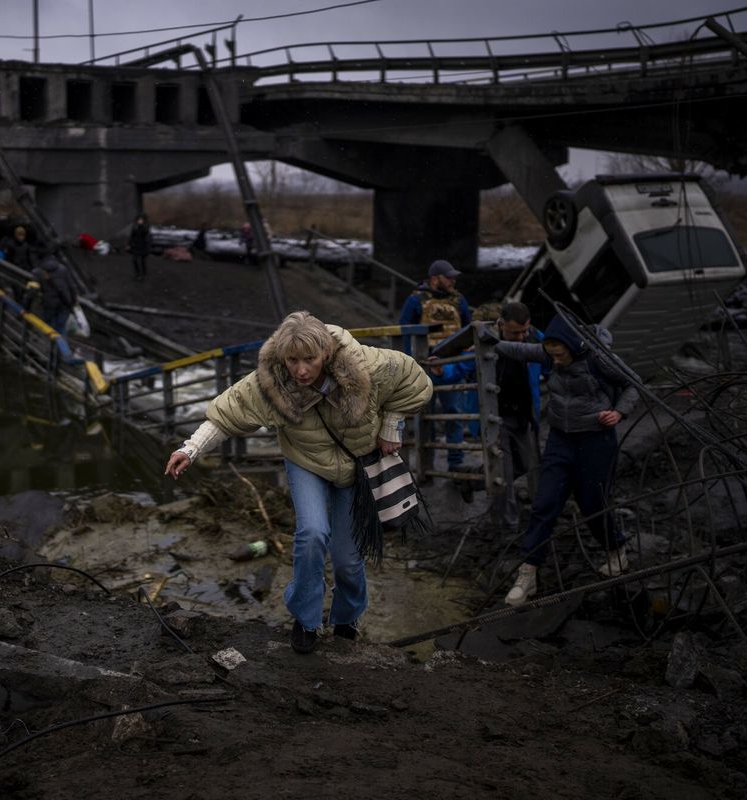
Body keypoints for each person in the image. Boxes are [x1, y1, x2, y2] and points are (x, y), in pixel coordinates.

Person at [164, 311, 432, 654]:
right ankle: (306, 619)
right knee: (313, 534)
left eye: (309, 360)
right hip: (306, 463)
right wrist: (191, 448)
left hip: (356, 467)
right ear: (282, 357)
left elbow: (416, 380)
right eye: (293, 360)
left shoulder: (367, 363)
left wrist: (392, 424)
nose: (301, 370)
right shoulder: (270, 380)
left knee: (348, 558)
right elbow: (229, 411)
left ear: (326, 353)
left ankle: (347, 618)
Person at [488, 314, 638, 606]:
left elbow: (633, 384)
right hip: (560, 439)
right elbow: (517, 350)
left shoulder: (600, 358)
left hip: (596, 439)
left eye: (560, 355)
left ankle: (616, 550)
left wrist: (619, 412)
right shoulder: (547, 352)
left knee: (592, 502)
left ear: (574, 346)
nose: (554, 361)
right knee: (544, 502)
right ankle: (528, 574)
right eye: (550, 354)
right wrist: (489, 338)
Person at [431, 302, 543, 527]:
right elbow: (463, 366)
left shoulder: (535, 338)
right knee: (504, 472)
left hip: (522, 415)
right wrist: (443, 371)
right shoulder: (486, 342)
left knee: (525, 464)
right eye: (515, 332)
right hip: (495, 417)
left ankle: (472, 481)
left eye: (524, 331)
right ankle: (506, 527)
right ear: (501, 325)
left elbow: (555, 352)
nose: (521, 337)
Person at [398, 259, 473, 475]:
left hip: (452, 365)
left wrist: (465, 360)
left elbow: (468, 328)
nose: (453, 280)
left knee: (454, 413)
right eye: (448, 277)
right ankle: (426, 465)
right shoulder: (415, 300)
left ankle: (456, 462)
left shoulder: (459, 300)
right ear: (434, 278)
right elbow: (404, 332)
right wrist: (410, 363)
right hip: (426, 365)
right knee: (425, 417)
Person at [35, 252, 78, 334]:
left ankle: (50, 344)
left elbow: (34, 289)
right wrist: (74, 300)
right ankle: (61, 344)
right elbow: (71, 286)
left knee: (49, 326)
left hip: (49, 303)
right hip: (64, 301)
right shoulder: (63, 268)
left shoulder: (39, 272)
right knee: (61, 327)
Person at [129, 214, 150, 281]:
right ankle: (137, 273)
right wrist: (129, 244)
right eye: (139, 219)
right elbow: (132, 236)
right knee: (135, 260)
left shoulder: (145, 227)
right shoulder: (134, 227)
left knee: (142, 261)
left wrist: (141, 226)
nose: (140, 221)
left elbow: (146, 234)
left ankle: (143, 274)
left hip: (143, 246)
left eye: (141, 220)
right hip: (135, 245)